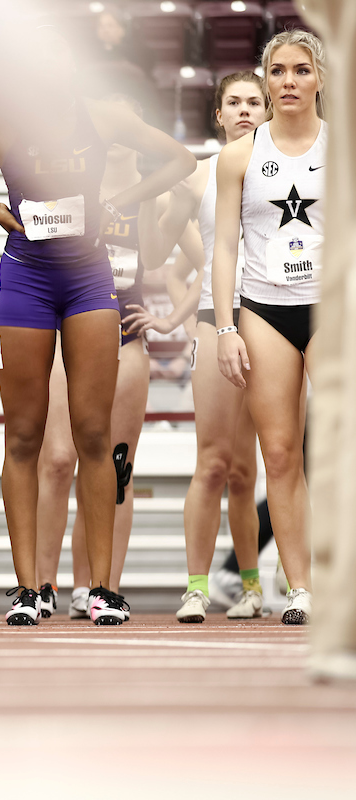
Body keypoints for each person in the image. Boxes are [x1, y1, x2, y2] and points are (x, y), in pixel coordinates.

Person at [0, 28, 195, 625]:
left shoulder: (102, 116)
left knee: (94, 436)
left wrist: (123, 200)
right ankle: (29, 588)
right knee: (24, 437)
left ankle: (102, 588)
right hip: (26, 283)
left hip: (89, 283)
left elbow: (182, 160)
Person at [32, 95, 196, 618]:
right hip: (70, 338)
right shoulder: (69, 181)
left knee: (115, 468)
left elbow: (203, 262)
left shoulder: (158, 194)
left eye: (130, 115)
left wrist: (171, 320)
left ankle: (99, 586)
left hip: (126, 336)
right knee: (59, 459)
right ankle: (41, 584)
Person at [125, 72, 269, 622]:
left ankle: (255, 588)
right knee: (213, 463)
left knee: (253, 471)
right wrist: (146, 193)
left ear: (267, 111)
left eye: (253, 102)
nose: (244, 110)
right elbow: (157, 254)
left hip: (280, 321)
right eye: (234, 102)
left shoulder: (293, 172)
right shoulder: (197, 177)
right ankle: (197, 588)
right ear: (219, 114)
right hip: (218, 321)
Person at [213, 30, 327, 625]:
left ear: (319, 78)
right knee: (280, 454)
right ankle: (300, 587)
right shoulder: (240, 156)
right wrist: (224, 327)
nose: (288, 81)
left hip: (332, 308)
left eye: (300, 70)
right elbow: (224, 248)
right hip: (263, 308)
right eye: (277, 71)